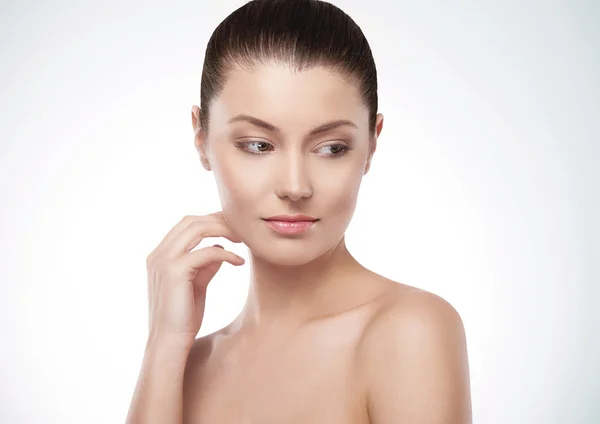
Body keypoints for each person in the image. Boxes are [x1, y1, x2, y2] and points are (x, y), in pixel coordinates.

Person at [126, 0, 472, 423]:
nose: (295, 186)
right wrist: (162, 344)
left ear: (372, 145)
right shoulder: (187, 364)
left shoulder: (408, 332)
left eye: (331, 148)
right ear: (201, 140)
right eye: (258, 145)